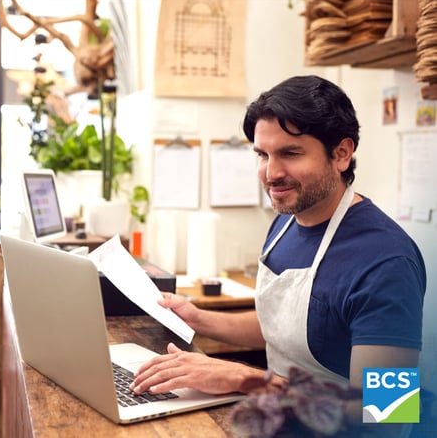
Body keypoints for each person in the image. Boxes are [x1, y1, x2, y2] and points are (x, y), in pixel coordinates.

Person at [130, 75, 425, 428]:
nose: (270, 173)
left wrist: (245, 378)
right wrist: (200, 319)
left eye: (290, 153)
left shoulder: (386, 262)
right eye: (262, 154)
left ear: (342, 154)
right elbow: (289, 326)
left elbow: (387, 414)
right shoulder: (285, 223)